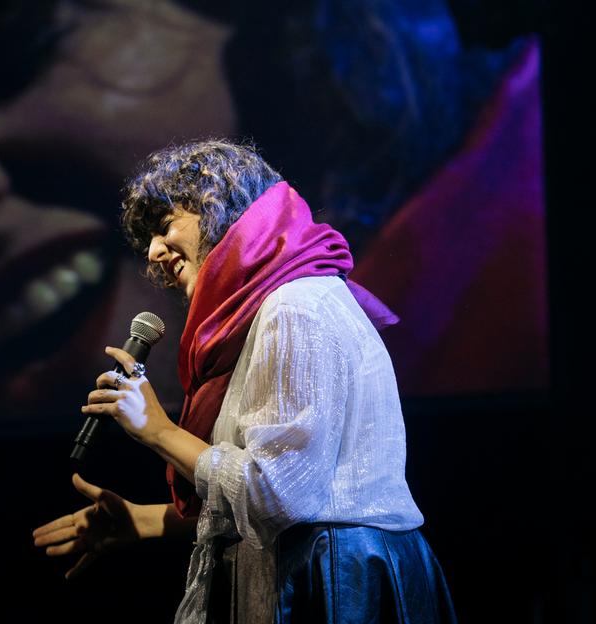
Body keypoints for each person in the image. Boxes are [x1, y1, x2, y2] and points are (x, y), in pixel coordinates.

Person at [33, 140, 455, 623]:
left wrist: (158, 431)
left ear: (217, 207)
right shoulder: (276, 308)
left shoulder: (294, 308)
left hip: (333, 585)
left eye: (164, 225)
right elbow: (282, 498)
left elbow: (280, 496)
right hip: (322, 568)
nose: (151, 251)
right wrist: (145, 521)